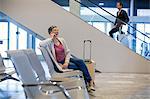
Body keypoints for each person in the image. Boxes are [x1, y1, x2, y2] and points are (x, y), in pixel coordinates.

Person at [47, 26, 95, 91]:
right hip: (59, 63)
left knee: (80, 61)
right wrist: (51, 38)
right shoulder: (49, 43)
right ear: (50, 32)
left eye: (57, 30)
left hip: (66, 59)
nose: (57, 32)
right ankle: (88, 83)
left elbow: (67, 52)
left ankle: (89, 81)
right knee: (79, 67)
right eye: (55, 30)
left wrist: (66, 62)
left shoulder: (61, 40)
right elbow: (41, 44)